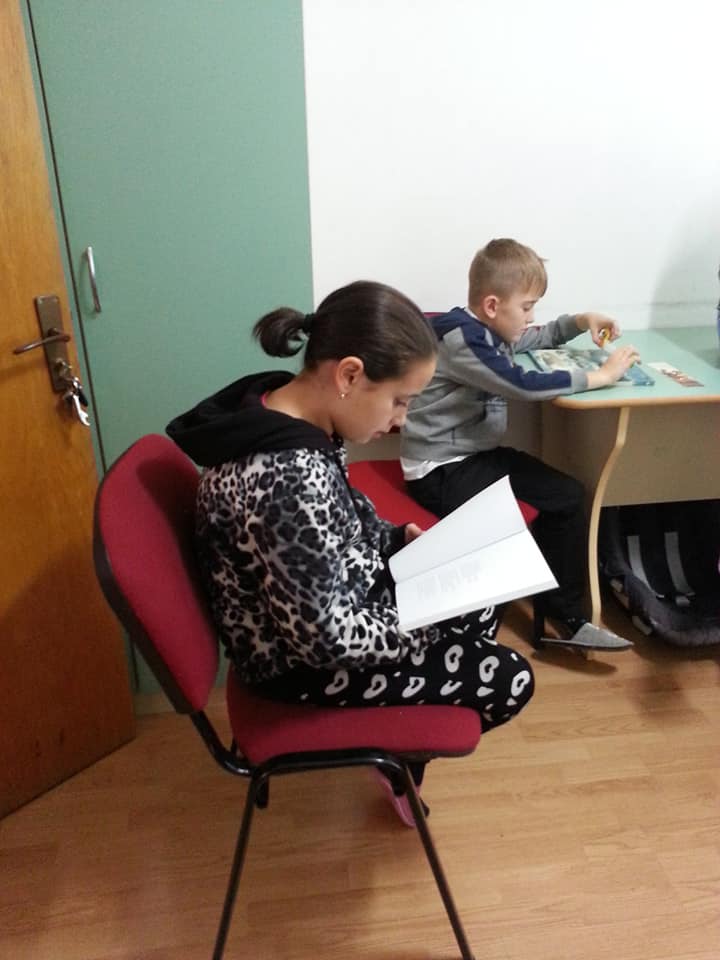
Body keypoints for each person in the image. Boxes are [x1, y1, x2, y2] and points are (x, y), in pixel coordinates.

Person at [167, 280, 534, 761]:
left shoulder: (288, 412)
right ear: (349, 375)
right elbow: (325, 641)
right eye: (400, 400)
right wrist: (426, 621)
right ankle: (399, 757)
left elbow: (344, 517)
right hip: (298, 665)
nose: (402, 420)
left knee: (484, 596)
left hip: (337, 600)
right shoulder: (287, 477)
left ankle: (403, 740)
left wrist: (395, 539)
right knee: (509, 678)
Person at [400, 239, 640, 652]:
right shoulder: (463, 342)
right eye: (527, 307)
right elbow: (521, 384)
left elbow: (532, 338)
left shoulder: (483, 330)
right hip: (440, 470)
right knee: (558, 501)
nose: (530, 317)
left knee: (565, 494)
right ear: (493, 306)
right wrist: (600, 377)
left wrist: (581, 321)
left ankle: (558, 611)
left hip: (469, 458)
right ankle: (565, 617)